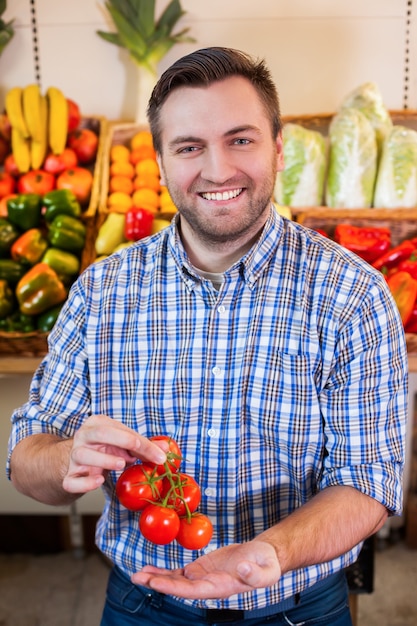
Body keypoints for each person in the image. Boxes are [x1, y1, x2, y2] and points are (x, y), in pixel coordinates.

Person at [7, 47, 407, 626]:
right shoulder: (102, 292)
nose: (217, 170)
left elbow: (367, 482)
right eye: (190, 147)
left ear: (279, 148)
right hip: (141, 603)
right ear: (162, 163)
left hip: (299, 605)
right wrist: (68, 457)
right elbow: (25, 462)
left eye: (240, 140)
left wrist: (272, 553)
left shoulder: (354, 295)